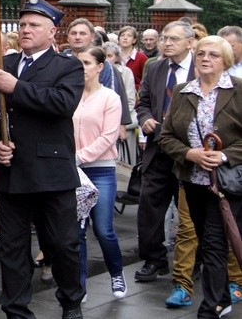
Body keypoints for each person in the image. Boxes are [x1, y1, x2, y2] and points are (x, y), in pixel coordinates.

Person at [0, 0, 86, 319]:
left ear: (52, 32)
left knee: (63, 244)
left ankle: (71, 302)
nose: (25, 30)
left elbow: (62, 104)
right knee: (12, 248)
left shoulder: (67, 66)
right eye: (23, 24)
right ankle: (16, 310)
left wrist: (17, 87)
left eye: (34, 25)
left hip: (52, 172)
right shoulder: (5, 64)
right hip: (14, 172)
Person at [160, 35, 242, 318]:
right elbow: (166, 136)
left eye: (214, 55)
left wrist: (224, 155)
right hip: (192, 180)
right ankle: (221, 296)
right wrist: (190, 154)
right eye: (202, 54)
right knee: (206, 239)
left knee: (215, 241)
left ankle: (212, 306)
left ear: (226, 61)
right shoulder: (183, 91)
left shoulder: (239, 90)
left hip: (228, 183)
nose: (206, 58)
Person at [135, 20, 196, 282]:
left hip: (190, 152)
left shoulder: (201, 68)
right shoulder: (156, 67)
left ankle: (198, 259)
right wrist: (145, 117)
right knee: (149, 206)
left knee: (193, 210)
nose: (167, 43)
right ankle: (154, 259)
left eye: (173, 39)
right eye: (164, 38)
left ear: (190, 42)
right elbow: (144, 101)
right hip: (158, 149)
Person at [74, 47, 127, 299]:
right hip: (72, 171)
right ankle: (79, 284)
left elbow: (109, 136)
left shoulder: (110, 98)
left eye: (86, 62)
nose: (81, 67)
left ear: (99, 67)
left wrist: (81, 156)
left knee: (103, 229)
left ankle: (116, 273)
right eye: (78, 62)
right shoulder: (69, 95)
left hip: (101, 170)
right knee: (77, 230)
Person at [102, 42, 138, 162]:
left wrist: (119, 121)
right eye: (105, 56)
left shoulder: (125, 72)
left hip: (123, 119)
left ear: (116, 57)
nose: (107, 59)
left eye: (110, 56)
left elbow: (129, 98)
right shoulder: (99, 71)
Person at [119, 26, 148, 91]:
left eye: (129, 36)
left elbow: (146, 80)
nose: (125, 38)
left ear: (134, 40)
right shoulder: (115, 57)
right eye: (122, 35)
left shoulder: (141, 58)